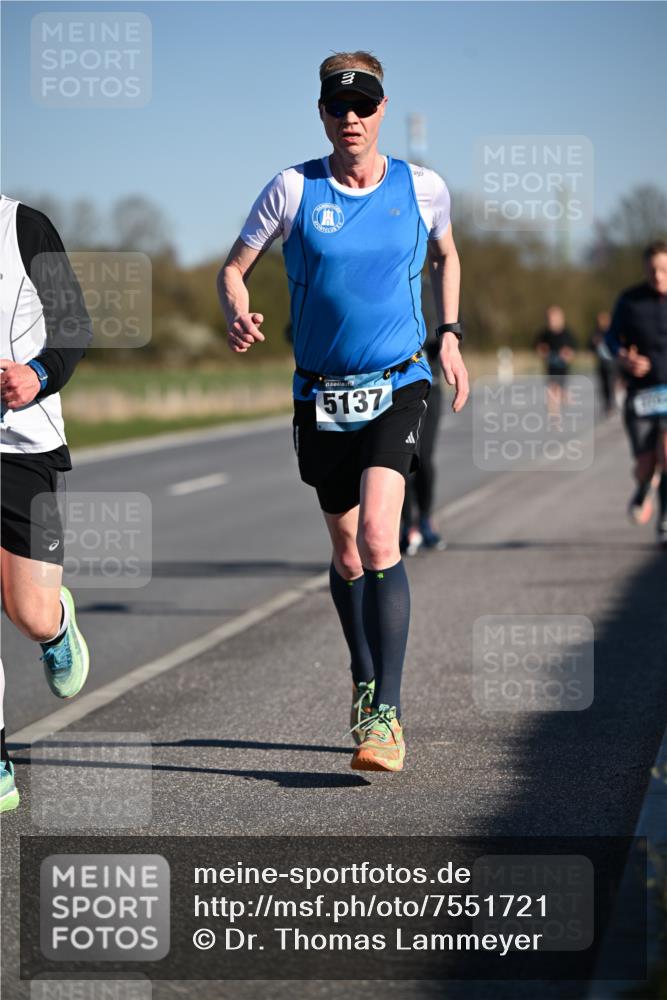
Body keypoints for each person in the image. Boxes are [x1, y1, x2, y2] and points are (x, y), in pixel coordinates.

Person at [217, 51, 468, 772]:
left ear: (382, 109)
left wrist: (449, 334)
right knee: (349, 551)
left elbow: (447, 256)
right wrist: (235, 309)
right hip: (321, 394)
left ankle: (386, 717)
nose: (350, 118)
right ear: (322, 113)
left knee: (383, 538)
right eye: (338, 106)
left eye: (363, 105)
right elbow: (233, 268)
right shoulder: (292, 189)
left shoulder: (422, 188)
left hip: (398, 383)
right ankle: (363, 677)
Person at [0, 195, 92, 812]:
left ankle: (55, 626)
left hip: (22, 447)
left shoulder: (22, 226)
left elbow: (74, 325)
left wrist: (37, 373)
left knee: (28, 612)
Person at [605, 240, 667, 546]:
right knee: (645, 465)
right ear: (645, 269)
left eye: (664, 269)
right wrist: (624, 357)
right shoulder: (630, 300)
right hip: (641, 394)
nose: (658, 276)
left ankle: (665, 519)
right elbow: (610, 338)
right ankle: (644, 486)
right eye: (653, 269)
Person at [400, 279, 446, 555]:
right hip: (396, 389)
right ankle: (407, 525)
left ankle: (426, 518)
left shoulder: (434, 289)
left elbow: (454, 329)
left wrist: (443, 344)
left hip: (431, 386)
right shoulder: (391, 280)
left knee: (424, 458)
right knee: (402, 461)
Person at [534, 306, 577, 418]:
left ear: (561, 319)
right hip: (551, 367)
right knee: (552, 390)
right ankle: (554, 415)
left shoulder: (567, 334)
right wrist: (543, 351)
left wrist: (567, 354)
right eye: (550, 319)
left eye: (554, 318)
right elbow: (538, 348)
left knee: (561, 392)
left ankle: (564, 396)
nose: (552, 321)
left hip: (563, 368)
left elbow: (573, 350)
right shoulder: (544, 334)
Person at [588, 310, 617, 418]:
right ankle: (607, 405)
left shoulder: (613, 332)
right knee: (603, 385)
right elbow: (590, 346)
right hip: (601, 363)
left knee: (611, 384)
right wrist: (594, 343)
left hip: (613, 363)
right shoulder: (596, 333)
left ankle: (612, 404)